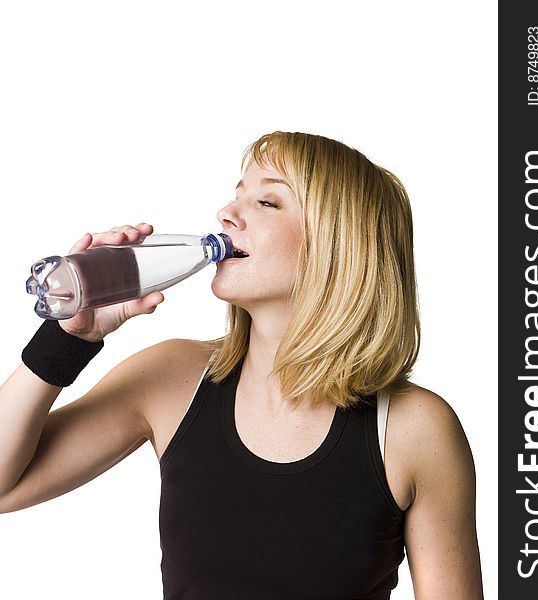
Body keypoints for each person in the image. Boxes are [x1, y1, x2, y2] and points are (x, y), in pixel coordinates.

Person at [0, 131, 484, 599]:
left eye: (267, 202)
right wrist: (68, 337)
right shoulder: (172, 378)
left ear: (339, 245)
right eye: (237, 195)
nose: (226, 214)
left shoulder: (415, 429)